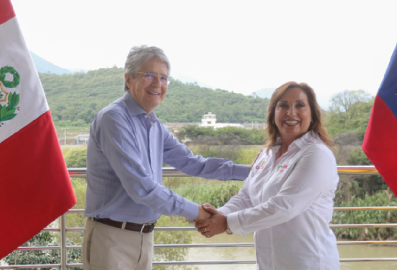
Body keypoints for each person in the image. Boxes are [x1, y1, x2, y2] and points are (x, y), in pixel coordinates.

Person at [82, 45, 250, 270]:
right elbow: (142, 188)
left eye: (163, 78)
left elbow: (192, 163)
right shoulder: (113, 119)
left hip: (145, 237)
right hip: (112, 239)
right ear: (128, 79)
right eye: (148, 75)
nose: (157, 84)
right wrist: (198, 213)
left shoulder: (154, 125)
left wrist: (253, 171)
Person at [196, 81, 340, 269]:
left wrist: (226, 223)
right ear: (273, 114)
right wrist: (219, 214)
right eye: (283, 106)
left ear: (312, 115)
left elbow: (285, 206)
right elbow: (247, 196)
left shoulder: (317, 154)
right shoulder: (267, 154)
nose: (291, 113)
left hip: (308, 262)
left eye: (300, 105)